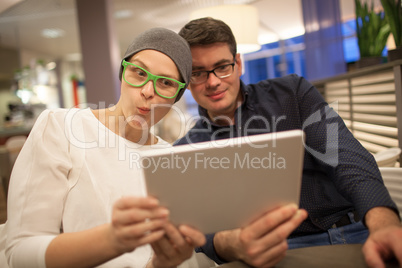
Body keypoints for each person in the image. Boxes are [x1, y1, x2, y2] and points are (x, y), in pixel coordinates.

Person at [175, 17, 402, 268]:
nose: (213, 81)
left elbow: (345, 156)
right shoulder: (187, 148)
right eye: (198, 73)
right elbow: (198, 230)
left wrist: (385, 223)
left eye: (222, 67)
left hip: (352, 232)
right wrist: (230, 244)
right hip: (270, 255)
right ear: (186, 80)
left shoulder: (292, 92)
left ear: (238, 63)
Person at [0, 27, 207, 268]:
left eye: (166, 83)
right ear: (122, 72)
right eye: (139, 73)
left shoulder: (170, 159)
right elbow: (21, 253)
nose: (148, 91)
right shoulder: (62, 128)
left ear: (178, 95)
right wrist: (113, 239)